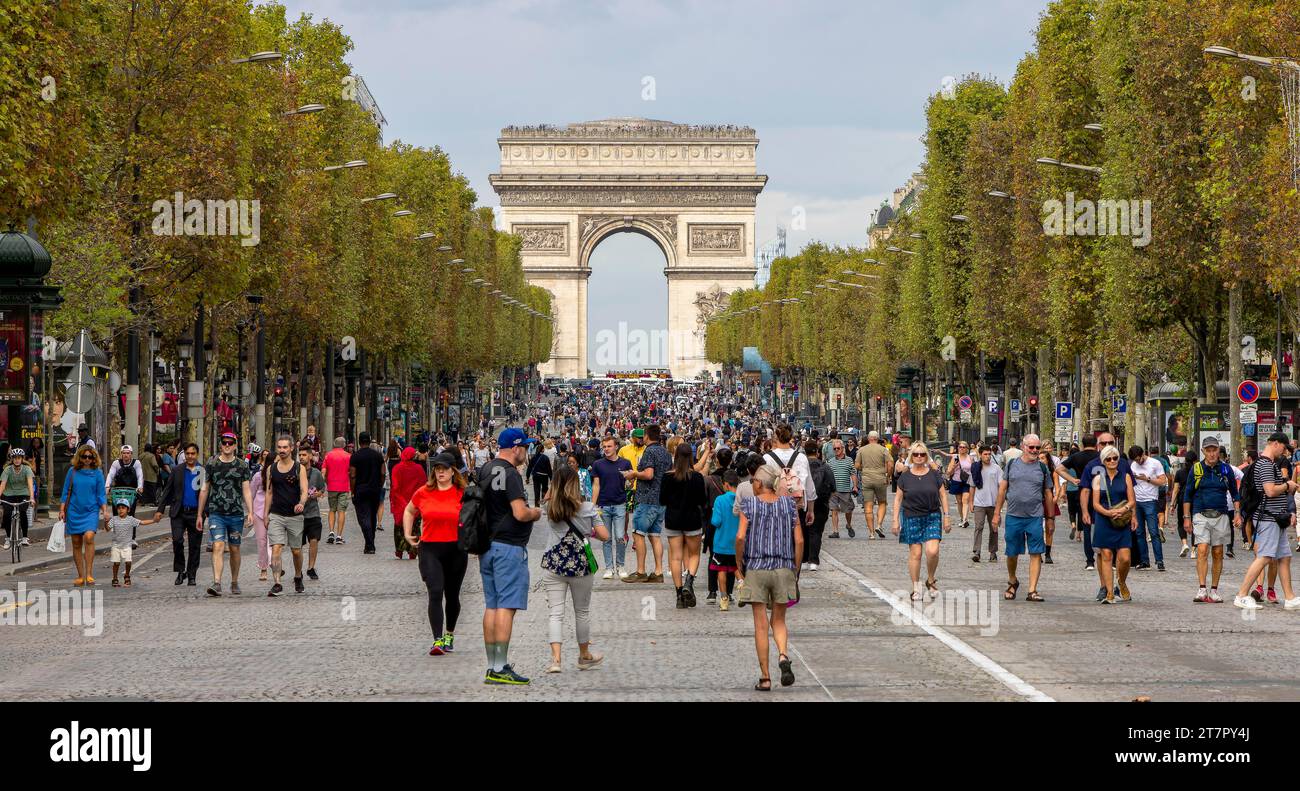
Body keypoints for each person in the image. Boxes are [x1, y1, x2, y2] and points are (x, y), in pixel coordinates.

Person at [479, 428, 542, 685]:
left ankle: (492, 665)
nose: (527, 451)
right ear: (516, 448)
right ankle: (501, 666)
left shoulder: (486, 469)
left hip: (487, 546)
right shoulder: (511, 474)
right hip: (509, 547)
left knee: (492, 606)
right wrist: (535, 512)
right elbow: (519, 513)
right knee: (506, 606)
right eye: (525, 447)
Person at [736, 465, 803, 691]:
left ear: (759, 483)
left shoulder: (749, 505)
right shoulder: (789, 505)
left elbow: (740, 536)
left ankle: (765, 678)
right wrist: (795, 569)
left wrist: (739, 563)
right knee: (779, 621)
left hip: (756, 567)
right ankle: (783, 656)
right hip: (784, 567)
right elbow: (800, 541)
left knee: (760, 625)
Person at [541, 465, 609, 673]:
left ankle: (556, 660)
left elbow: (547, 498)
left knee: (555, 613)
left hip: (554, 563)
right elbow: (605, 536)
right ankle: (584, 655)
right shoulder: (588, 508)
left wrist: (553, 489)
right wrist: (589, 532)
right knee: (582, 612)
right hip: (581, 565)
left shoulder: (549, 507)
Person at [403, 452, 470, 656]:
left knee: (452, 595)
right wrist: (408, 533)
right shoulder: (424, 492)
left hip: (456, 549)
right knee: (435, 591)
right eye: (437, 468)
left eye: (444, 468)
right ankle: (437, 640)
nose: (440, 472)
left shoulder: (462, 492)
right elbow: (409, 510)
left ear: (453, 471)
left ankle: (449, 633)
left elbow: (475, 516)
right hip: (430, 548)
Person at [1234, 432, 1300, 610]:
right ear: (1276, 444)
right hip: (1268, 518)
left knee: (1284, 557)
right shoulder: (1265, 465)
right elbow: (1270, 491)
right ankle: (1241, 595)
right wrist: (1288, 486)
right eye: (1285, 448)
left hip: (1275, 519)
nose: (1285, 452)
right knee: (1264, 557)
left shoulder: (1268, 464)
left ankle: (1290, 597)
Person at [993, 433, 1053, 602]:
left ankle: (1032, 590)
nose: (1034, 450)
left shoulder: (1043, 468)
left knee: (1036, 553)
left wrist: (1050, 519)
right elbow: (1002, 490)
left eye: (1037, 448)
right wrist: (997, 513)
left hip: (1035, 517)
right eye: (1031, 447)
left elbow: (1048, 494)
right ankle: (1012, 581)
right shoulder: (1012, 465)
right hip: (1014, 516)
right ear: (1022, 447)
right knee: (1012, 553)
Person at [1181, 437, 1239, 603]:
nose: (1212, 453)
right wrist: (1187, 518)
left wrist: (1237, 513)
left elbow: (1235, 493)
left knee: (1218, 552)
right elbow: (1188, 495)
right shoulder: (1196, 469)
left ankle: (1214, 589)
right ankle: (1201, 588)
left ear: (1218, 450)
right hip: (1200, 514)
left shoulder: (1226, 470)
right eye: (1208, 450)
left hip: (1221, 515)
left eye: (1214, 450)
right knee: (1202, 549)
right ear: (1203, 451)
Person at [197, 432, 255, 597]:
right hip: (216, 513)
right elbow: (204, 489)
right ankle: (217, 582)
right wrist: (200, 514)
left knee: (235, 548)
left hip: (236, 514)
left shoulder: (243, 466)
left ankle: (235, 581)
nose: (227, 445)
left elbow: (246, 490)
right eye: (224, 442)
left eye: (230, 443)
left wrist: (250, 512)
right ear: (220, 444)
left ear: (236, 445)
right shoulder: (212, 464)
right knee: (218, 545)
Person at [892, 441, 950, 601]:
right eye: (916, 454)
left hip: (932, 516)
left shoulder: (934, 474)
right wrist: (895, 520)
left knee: (932, 551)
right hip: (911, 516)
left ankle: (930, 579)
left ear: (926, 456)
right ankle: (916, 587)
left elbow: (943, 495)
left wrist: (947, 516)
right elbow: (898, 499)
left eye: (922, 454)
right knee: (916, 553)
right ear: (912, 456)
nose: (919, 457)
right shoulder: (905, 476)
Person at [1084, 445, 1135, 604]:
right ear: (1103, 461)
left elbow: (1132, 500)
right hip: (1104, 520)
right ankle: (1109, 593)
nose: (1112, 461)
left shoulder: (1125, 476)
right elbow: (1096, 503)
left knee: (1125, 558)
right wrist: (1108, 513)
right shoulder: (1098, 478)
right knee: (1106, 555)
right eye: (1108, 459)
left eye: (1115, 458)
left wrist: (1125, 510)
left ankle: (1121, 581)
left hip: (1122, 520)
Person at [660, 442, 707, 608]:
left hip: (673, 519)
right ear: (691, 458)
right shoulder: (697, 477)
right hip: (692, 519)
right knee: (694, 554)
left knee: (676, 557)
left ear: (676, 456)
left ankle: (679, 593)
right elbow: (703, 500)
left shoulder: (667, 476)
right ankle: (689, 581)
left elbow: (662, 500)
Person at [624, 424, 672, 584]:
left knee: (638, 534)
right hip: (661, 499)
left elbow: (649, 474)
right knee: (655, 536)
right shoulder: (665, 452)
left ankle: (641, 571)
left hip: (647, 499)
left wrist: (634, 474)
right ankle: (658, 572)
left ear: (646, 436)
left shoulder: (649, 451)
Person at [263, 435, 309, 596]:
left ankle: (298, 575)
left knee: (296, 551)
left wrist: (301, 503)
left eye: (285, 447)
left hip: (295, 516)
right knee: (276, 548)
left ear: (291, 449)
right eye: (279, 447)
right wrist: (265, 513)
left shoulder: (299, 468)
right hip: (276, 514)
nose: (282, 450)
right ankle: (277, 583)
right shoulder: (271, 469)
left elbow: (304, 491)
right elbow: (269, 492)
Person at [157, 443, 204, 586]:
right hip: (178, 513)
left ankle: (191, 574)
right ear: (184, 455)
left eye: (193, 453)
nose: (190, 456)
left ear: (197, 454)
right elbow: (167, 490)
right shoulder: (177, 470)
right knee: (177, 541)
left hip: (196, 514)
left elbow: (206, 493)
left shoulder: (201, 471)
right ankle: (180, 570)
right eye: (188, 454)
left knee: (195, 545)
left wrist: (205, 512)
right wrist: (160, 510)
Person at [61, 445, 108, 586]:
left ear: (94, 458)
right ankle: (81, 576)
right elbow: (65, 492)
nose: (87, 459)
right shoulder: (72, 471)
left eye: (90, 457)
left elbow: (101, 494)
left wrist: (105, 510)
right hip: (74, 510)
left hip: (91, 511)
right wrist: (62, 510)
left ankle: (89, 574)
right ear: (79, 457)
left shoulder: (97, 473)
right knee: (76, 542)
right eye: (84, 456)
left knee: (89, 537)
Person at [590, 435, 631, 578]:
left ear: (616, 447)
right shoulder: (598, 464)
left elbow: (629, 483)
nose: (606, 449)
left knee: (620, 537)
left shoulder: (626, 463)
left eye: (609, 446)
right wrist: (593, 506)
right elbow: (596, 485)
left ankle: (621, 565)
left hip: (620, 504)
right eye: (604, 446)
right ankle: (609, 568)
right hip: (603, 505)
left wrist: (628, 481)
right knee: (606, 538)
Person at [1128, 445, 1169, 571]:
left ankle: (1159, 560)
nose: (1138, 462)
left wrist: (1147, 479)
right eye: (1135, 460)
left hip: (1150, 500)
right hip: (1137, 501)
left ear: (1143, 454)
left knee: (1153, 531)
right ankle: (1144, 560)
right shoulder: (1133, 465)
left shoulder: (1155, 463)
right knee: (1139, 533)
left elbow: (1163, 481)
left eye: (1139, 459)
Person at [107, 499, 161, 587]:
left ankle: (127, 575)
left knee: (128, 562)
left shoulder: (131, 519)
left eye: (123, 508)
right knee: (116, 563)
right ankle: (115, 578)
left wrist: (153, 520)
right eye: (119, 508)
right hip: (116, 545)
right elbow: (107, 529)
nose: (120, 510)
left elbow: (142, 522)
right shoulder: (114, 519)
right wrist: (106, 522)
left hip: (127, 545)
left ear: (128, 510)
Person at [348, 432, 385, 554]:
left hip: (361, 489)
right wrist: (380, 485)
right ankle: (370, 543)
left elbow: (352, 475)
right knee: (372, 516)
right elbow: (383, 473)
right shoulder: (378, 455)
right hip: (374, 489)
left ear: (359, 441)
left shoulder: (355, 456)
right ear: (369, 441)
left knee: (363, 517)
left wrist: (352, 491)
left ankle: (369, 544)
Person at [710, 469, 741, 610]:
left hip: (721, 542)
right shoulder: (742, 500)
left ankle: (723, 599)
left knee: (721, 570)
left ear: (726, 485)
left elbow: (716, 521)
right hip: (737, 542)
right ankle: (742, 583)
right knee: (735, 567)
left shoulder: (720, 500)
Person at [389, 446, 425, 560]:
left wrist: (400, 502)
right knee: (414, 527)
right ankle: (413, 551)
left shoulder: (397, 468)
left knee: (399, 527)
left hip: (400, 503)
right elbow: (423, 486)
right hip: (414, 504)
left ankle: (399, 551)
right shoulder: (419, 469)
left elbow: (395, 487)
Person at [297, 444, 327, 580]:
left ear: (310, 456)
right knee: (298, 546)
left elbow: (322, 488)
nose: (301, 457)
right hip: (298, 514)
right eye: (300, 455)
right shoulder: (295, 472)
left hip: (313, 513)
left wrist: (318, 494)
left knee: (314, 540)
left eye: (304, 455)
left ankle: (311, 567)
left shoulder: (316, 473)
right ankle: (299, 570)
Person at [854, 430, 891, 538]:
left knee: (868, 505)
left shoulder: (862, 450)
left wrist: (864, 469)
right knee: (882, 503)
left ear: (869, 439)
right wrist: (888, 476)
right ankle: (879, 525)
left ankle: (871, 533)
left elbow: (856, 465)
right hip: (880, 478)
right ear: (877, 438)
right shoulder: (883, 449)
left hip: (867, 479)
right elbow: (890, 464)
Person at [969, 444, 1002, 563]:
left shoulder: (997, 469)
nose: (988, 456)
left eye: (989, 454)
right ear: (980, 455)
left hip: (993, 504)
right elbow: (972, 486)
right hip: (979, 503)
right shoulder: (976, 468)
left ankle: (993, 552)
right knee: (978, 527)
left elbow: (1001, 486)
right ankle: (977, 551)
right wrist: (971, 502)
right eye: (985, 454)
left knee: (994, 528)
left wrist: (1000, 504)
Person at [804, 441, 833, 569]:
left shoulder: (802, 466)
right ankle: (813, 561)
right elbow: (833, 485)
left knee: (803, 530)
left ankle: (804, 558)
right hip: (821, 502)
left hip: (804, 501)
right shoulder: (825, 467)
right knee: (816, 532)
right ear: (817, 452)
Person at [2, 448, 35, 549]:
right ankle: (7, 538)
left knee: (23, 512)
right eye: (15, 458)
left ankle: (25, 537)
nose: (17, 460)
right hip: (9, 494)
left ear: (22, 459)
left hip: (23, 493)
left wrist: (32, 498)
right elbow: (2, 485)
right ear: (12, 459)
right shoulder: (7, 469)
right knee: (7, 514)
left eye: (19, 458)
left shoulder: (27, 469)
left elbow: (30, 484)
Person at [826, 439, 857, 541]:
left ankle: (848, 525)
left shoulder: (849, 460)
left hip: (845, 490)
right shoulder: (830, 461)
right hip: (833, 491)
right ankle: (835, 531)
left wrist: (855, 486)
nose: (836, 450)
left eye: (838, 448)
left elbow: (853, 474)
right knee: (834, 510)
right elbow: (828, 476)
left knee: (848, 510)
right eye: (834, 449)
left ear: (842, 448)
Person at [322, 437, 351, 545]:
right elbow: (351, 472)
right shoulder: (348, 456)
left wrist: (324, 484)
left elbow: (323, 471)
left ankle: (331, 532)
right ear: (344, 445)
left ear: (334, 444)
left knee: (332, 510)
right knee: (341, 511)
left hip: (332, 486)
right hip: (344, 486)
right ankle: (339, 536)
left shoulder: (328, 455)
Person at [248, 447, 271, 581]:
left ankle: (275, 563)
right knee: (262, 541)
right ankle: (263, 567)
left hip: (276, 511)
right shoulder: (258, 476)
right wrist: (250, 512)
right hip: (259, 511)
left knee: (274, 541)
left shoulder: (280, 475)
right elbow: (251, 494)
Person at [945, 441, 975, 530]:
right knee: (959, 501)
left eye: (963, 447)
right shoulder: (955, 457)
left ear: (967, 449)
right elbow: (948, 472)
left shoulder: (970, 458)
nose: (961, 448)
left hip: (967, 481)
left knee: (965, 500)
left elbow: (973, 470)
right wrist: (954, 466)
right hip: (957, 481)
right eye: (960, 447)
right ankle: (962, 518)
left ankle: (965, 520)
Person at [526, 438, 553, 506]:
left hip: (536, 476)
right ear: (542, 450)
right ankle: (544, 504)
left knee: (536, 490)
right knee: (544, 489)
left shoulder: (533, 458)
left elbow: (529, 468)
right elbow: (549, 469)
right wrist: (551, 478)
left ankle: (537, 505)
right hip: (544, 476)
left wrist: (527, 477)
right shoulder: (545, 458)